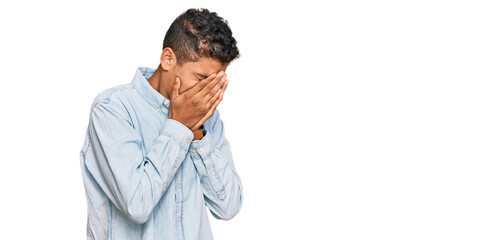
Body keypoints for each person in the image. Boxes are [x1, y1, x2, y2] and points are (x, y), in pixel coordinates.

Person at [79, 8, 243, 240]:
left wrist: (196, 133)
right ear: (168, 59)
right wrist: (179, 126)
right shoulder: (112, 109)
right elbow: (137, 205)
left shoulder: (208, 119)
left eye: (216, 82)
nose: (209, 91)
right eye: (201, 79)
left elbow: (228, 207)